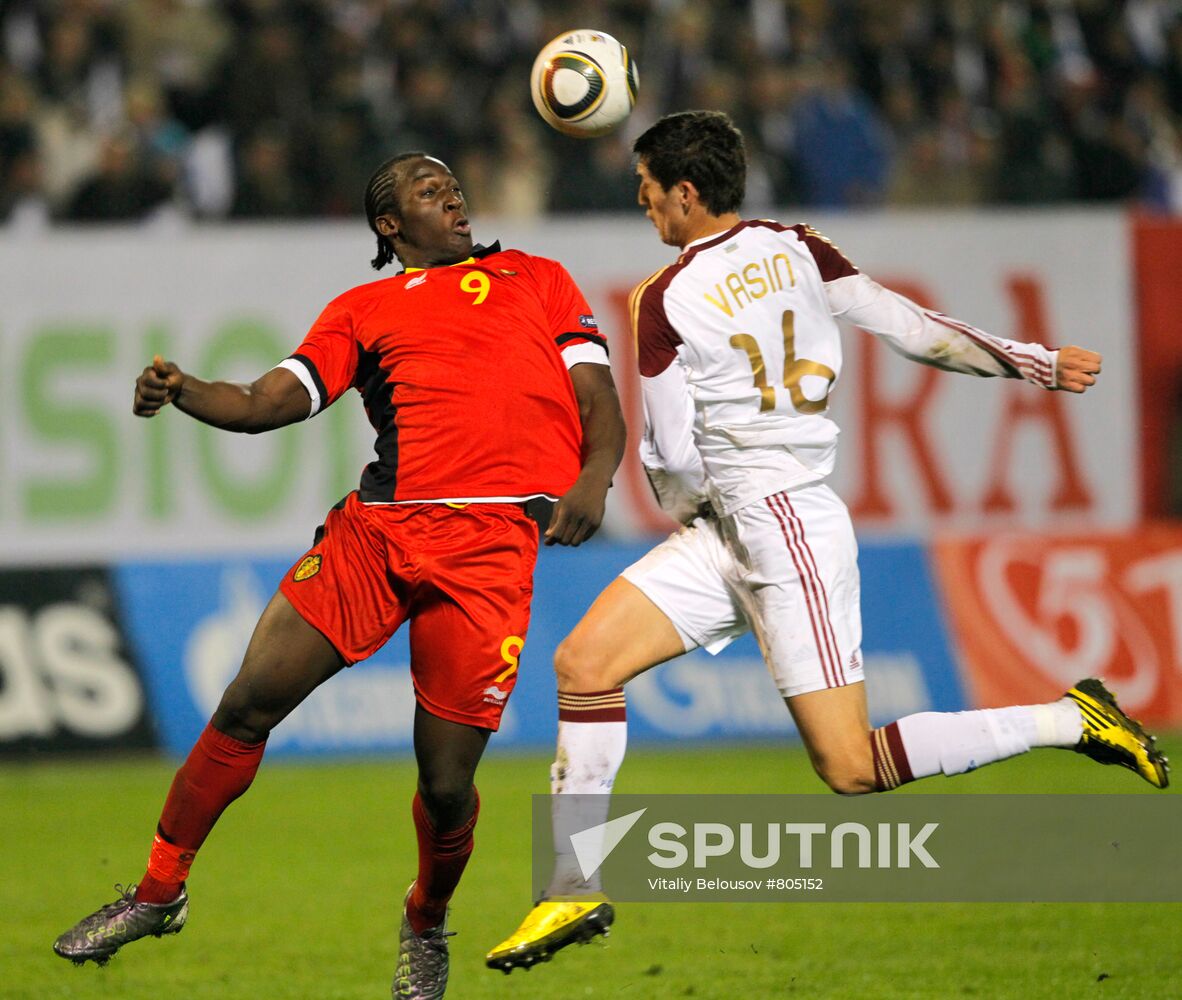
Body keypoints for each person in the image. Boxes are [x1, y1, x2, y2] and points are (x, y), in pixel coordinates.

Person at [485, 110, 1169, 972]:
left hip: (783, 527)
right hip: (733, 530)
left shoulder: (661, 299)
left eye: (649, 190)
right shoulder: (801, 247)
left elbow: (666, 452)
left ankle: (1070, 717)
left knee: (850, 768)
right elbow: (911, 327)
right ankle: (569, 887)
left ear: (686, 194)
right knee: (585, 664)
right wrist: (1030, 360)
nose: (645, 206)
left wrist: (679, 499)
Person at [53, 151, 627, 1000]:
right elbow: (265, 402)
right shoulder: (362, 309)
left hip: (488, 548)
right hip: (378, 534)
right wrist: (186, 389)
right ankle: (157, 891)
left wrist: (595, 477)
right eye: (430, 192)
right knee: (248, 702)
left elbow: (598, 401)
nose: (453, 196)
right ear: (391, 225)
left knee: (444, 782)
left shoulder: (536, 278)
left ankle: (425, 922)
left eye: (453, 186)